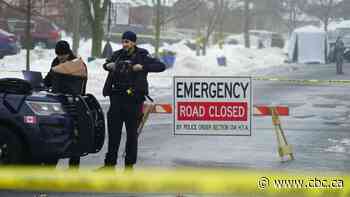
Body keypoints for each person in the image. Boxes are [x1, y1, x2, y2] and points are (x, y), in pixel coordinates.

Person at [101, 31, 165, 170]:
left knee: (131, 135)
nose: (125, 44)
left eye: (128, 42)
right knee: (113, 135)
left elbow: (161, 66)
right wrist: (108, 66)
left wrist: (142, 67)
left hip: (133, 100)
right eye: (123, 41)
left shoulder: (142, 55)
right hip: (117, 99)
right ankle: (109, 164)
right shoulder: (117, 55)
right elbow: (105, 64)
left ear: (134, 42)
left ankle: (129, 166)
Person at [43, 40, 85, 168]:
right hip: (56, 102)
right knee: (55, 134)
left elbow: (77, 86)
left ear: (68, 53)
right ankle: (50, 165)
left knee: (74, 136)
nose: (60, 58)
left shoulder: (76, 64)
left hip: (72, 105)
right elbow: (50, 78)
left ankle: (73, 167)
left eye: (63, 55)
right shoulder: (56, 62)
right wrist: (42, 83)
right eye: (58, 55)